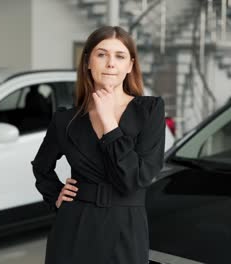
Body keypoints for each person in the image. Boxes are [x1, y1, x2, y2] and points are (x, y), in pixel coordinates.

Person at [30, 25, 165, 264]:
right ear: (88, 63)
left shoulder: (150, 111)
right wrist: (55, 196)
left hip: (126, 227)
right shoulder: (66, 120)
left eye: (120, 56)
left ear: (130, 66)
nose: (111, 63)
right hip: (73, 225)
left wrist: (109, 124)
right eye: (102, 54)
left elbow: (137, 179)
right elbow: (41, 166)